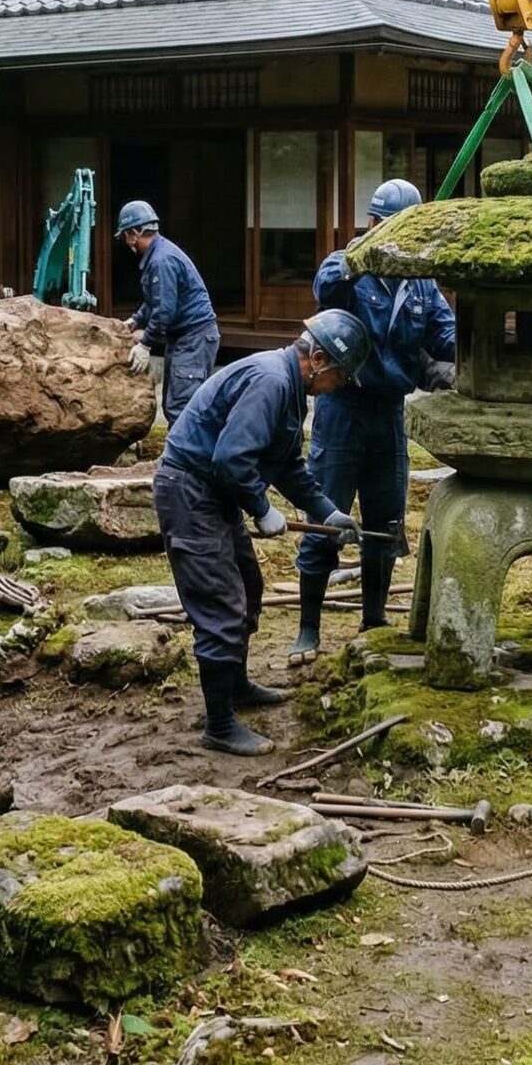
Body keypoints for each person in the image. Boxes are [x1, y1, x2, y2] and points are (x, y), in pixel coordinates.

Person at [153, 311, 366, 755]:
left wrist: (327, 513)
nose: (340, 387)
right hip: (190, 490)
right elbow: (231, 460)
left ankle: (237, 685)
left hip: (215, 492)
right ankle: (219, 724)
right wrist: (262, 508)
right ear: (320, 359)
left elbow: (288, 466)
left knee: (248, 586)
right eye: (342, 377)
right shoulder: (271, 381)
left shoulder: (290, 389)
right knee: (220, 602)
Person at [289, 179, 456, 666]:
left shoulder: (421, 282)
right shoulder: (350, 266)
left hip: (388, 412)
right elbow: (326, 288)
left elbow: (445, 336)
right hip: (342, 409)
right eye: (395, 226)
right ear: (376, 223)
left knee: (386, 520)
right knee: (326, 515)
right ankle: (307, 628)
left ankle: (374, 618)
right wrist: (366, 252)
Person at [118, 200, 220, 424]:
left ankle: (188, 458)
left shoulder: (161, 260)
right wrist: (134, 321)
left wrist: (145, 344)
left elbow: (164, 311)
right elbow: (155, 301)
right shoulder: (158, 255)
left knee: (182, 406)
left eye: (126, 235)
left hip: (194, 337)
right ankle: (182, 456)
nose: (127, 242)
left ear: (135, 233)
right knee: (173, 402)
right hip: (185, 337)